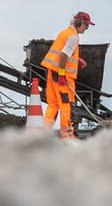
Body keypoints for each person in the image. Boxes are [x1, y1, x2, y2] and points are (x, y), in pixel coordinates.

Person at [38, 11, 90, 139]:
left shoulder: (64, 32)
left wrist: (77, 60)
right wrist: (61, 75)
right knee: (65, 107)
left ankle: (42, 135)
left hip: (52, 72)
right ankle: (67, 138)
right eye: (86, 25)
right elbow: (62, 56)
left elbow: (62, 54)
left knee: (53, 105)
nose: (87, 28)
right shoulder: (73, 36)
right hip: (62, 76)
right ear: (79, 23)